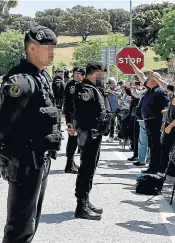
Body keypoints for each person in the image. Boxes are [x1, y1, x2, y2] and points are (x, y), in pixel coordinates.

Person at [0, 25, 62, 243]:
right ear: (32, 48)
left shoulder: (41, 77)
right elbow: (1, 126)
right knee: (19, 227)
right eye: (48, 47)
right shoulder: (22, 81)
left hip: (41, 158)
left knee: (31, 222)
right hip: (25, 160)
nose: (52, 52)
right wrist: (5, 154)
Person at [72, 61, 107, 220]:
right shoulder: (86, 90)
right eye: (102, 74)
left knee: (90, 167)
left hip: (94, 134)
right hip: (89, 134)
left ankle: (85, 200)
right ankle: (81, 205)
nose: (103, 77)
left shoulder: (93, 88)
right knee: (86, 168)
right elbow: (82, 113)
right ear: (95, 73)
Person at [129, 59, 169, 174]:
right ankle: (151, 167)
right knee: (152, 146)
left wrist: (163, 123)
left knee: (156, 146)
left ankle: (155, 168)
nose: (147, 81)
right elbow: (141, 76)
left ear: (156, 81)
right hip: (148, 121)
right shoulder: (150, 89)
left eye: (150, 79)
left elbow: (166, 109)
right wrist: (134, 66)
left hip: (155, 121)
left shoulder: (160, 92)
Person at [151, 67, 175, 176]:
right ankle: (163, 171)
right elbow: (165, 85)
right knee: (165, 148)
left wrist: (170, 125)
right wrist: (155, 77)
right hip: (170, 122)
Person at [63, 67, 85, 173]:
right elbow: (69, 102)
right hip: (72, 116)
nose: (77, 75)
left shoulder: (78, 84)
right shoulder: (72, 85)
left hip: (76, 116)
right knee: (72, 140)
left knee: (75, 140)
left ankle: (70, 162)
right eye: (75, 73)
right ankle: (68, 164)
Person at [105, 77, 121, 142]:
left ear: (114, 82)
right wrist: (106, 91)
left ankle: (120, 136)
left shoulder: (118, 88)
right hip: (111, 108)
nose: (110, 84)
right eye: (109, 82)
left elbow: (119, 95)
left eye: (111, 82)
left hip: (119, 108)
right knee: (112, 123)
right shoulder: (107, 88)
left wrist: (111, 91)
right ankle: (111, 136)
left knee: (120, 123)